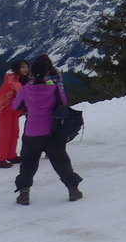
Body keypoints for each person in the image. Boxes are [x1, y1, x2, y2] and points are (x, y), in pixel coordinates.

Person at [12, 54, 82, 205]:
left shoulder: (25, 89)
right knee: (61, 162)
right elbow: (63, 104)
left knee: (28, 164)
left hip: (31, 133)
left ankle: (24, 195)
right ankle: (73, 190)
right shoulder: (54, 88)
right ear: (46, 72)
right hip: (52, 132)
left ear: (31, 73)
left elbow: (15, 106)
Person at [0, 58, 29, 168]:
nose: (26, 69)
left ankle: (11, 155)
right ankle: (0, 159)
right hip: (4, 110)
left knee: (14, 133)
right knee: (4, 135)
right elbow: (20, 89)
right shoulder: (12, 78)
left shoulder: (22, 79)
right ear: (17, 69)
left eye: (26, 67)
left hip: (14, 111)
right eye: (23, 67)